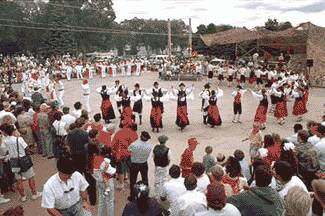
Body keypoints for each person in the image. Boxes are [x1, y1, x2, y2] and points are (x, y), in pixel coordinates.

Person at [1, 123, 42, 202]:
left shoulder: (5, 141)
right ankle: (34, 194)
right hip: (23, 160)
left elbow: (4, 151)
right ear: (13, 131)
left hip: (13, 161)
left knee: (18, 180)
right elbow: (26, 148)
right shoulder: (19, 139)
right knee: (30, 177)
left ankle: (23, 196)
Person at [111, 124, 138, 189]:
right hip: (129, 153)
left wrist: (114, 152)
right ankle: (130, 180)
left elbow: (113, 144)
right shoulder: (133, 133)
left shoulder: (118, 133)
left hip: (120, 154)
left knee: (121, 169)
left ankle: (121, 183)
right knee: (130, 168)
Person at [128, 131, 152, 201]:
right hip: (144, 163)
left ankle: (132, 196)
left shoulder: (134, 144)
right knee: (145, 179)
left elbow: (129, 150)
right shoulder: (149, 146)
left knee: (133, 180)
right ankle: (146, 194)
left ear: (140, 136)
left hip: (134, 164)